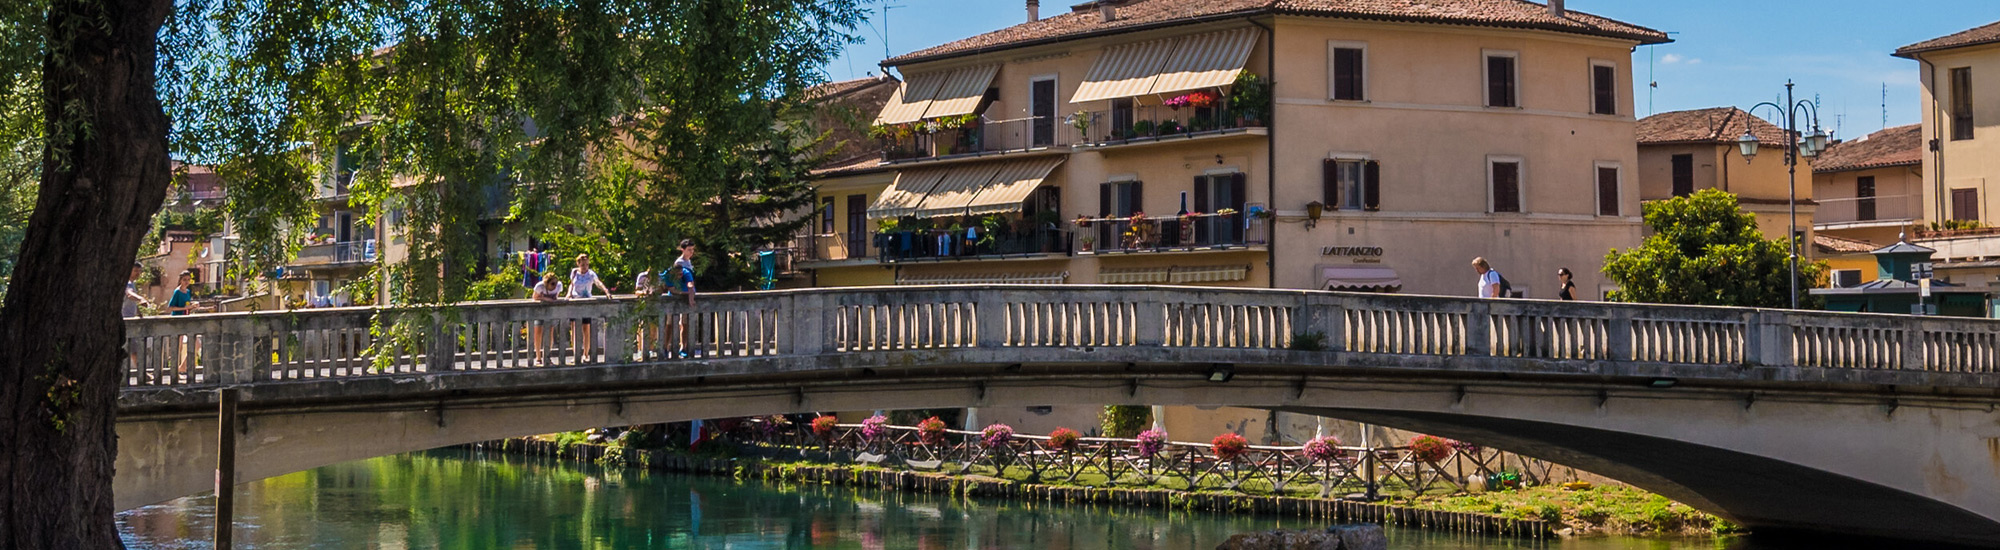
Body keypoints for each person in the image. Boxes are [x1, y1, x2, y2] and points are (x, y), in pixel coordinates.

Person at [567, 253, 611, 361]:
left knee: (586, 329)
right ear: (578, 264)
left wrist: (606, 291)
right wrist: (568, 294)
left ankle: (585, 354)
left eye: (587, 264)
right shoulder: (574, 272)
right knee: (574, 329)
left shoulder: (591, 274)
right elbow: (571, 284)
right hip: (575, 301)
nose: (585, 267)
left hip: (586, 302)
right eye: (583, 265)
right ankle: (575, 354)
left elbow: (597, 282)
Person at [669, 239, 698, 358]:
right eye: (689, 250)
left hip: (687, 294)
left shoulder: (689, 262)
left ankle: (683, 346)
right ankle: (673, 347)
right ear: (683, 250)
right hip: (679, 295)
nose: (691, 252)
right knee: (673, 323)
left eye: (692, 250)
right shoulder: (679, 263)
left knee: (685, 323)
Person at [531, 271, 564, 366]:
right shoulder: (539, 286)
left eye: (556, 283)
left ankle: (547, 356)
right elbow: (535, 297)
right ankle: (538, 357)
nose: (555, 286)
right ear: (547, 283)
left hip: (550, 312)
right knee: (538, 333)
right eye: (552, 284)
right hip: (539, 311)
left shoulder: (559, 286)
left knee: (550, 333)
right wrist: (546, 299)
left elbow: (556, 297)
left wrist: (549, 299)